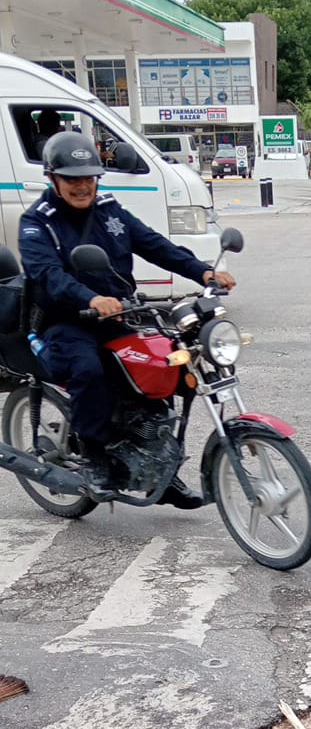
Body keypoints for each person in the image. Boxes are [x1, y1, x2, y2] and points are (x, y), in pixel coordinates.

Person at [19, 131, 236, 503]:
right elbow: (49, 277)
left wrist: (202, 272)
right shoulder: (37, 223)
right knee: (88, 370)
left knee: (165, 365)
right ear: (53, 178)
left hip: (119, 315)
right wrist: (90, 297)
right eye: (72, 178)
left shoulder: (108, 210)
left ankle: (158, 468)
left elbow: (153, 244)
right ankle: (94, 457)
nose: (82, 186)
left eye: (88, 177)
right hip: (66, 321)